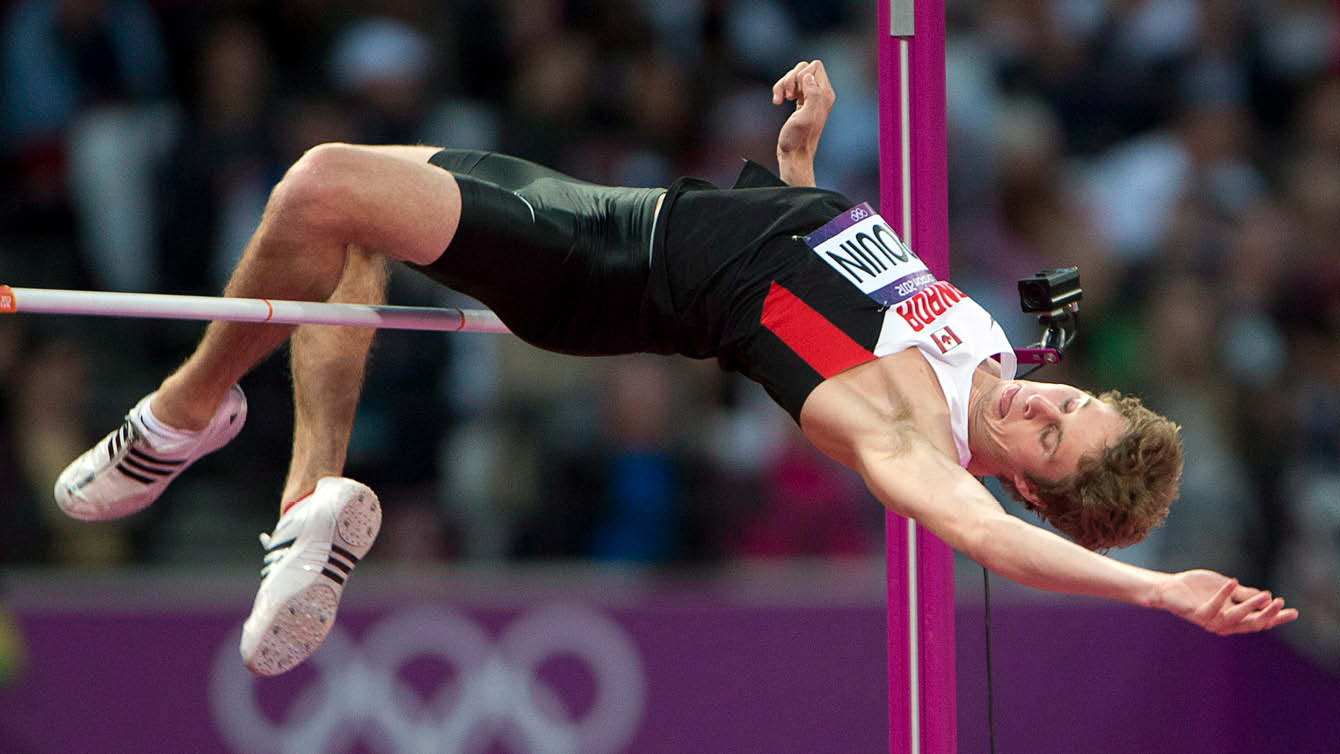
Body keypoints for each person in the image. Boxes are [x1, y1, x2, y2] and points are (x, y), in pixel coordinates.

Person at [53, 61, 1297, 677]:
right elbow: (810, 282)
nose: (1038, 402)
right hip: (614, 206)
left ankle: (185, 414)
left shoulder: (905, 432)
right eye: (1066, 402)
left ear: (1025, 483)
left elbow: (985, 541)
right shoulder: (980, 345)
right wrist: (799, 159)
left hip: (597, 270)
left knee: (320, 183)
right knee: (340, 225)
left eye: (1042, 439)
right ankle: (300, 499)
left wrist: (1149, 591)